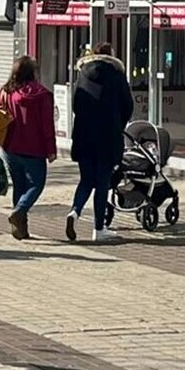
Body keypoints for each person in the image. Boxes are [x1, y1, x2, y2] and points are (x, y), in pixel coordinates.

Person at [65, 43, 133, 243]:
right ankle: (98, 228)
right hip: (107, 137)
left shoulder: (83, 75)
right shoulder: (117, 76)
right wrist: (118, 124)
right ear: (111, 56)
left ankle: (74, 212)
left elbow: (76, 104)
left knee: (86, 180)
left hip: (84, 136)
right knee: (102, 183)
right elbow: (127, 105)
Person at [0, 56, 56, 240]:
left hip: (10, 147)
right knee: (36, 184)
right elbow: (47, 125)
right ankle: (19, 211)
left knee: (19, 185)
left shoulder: (5, 92)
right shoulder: (42, 95)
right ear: (33, 72)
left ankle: (20, 226)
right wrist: (51, 149)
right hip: (34, 148)